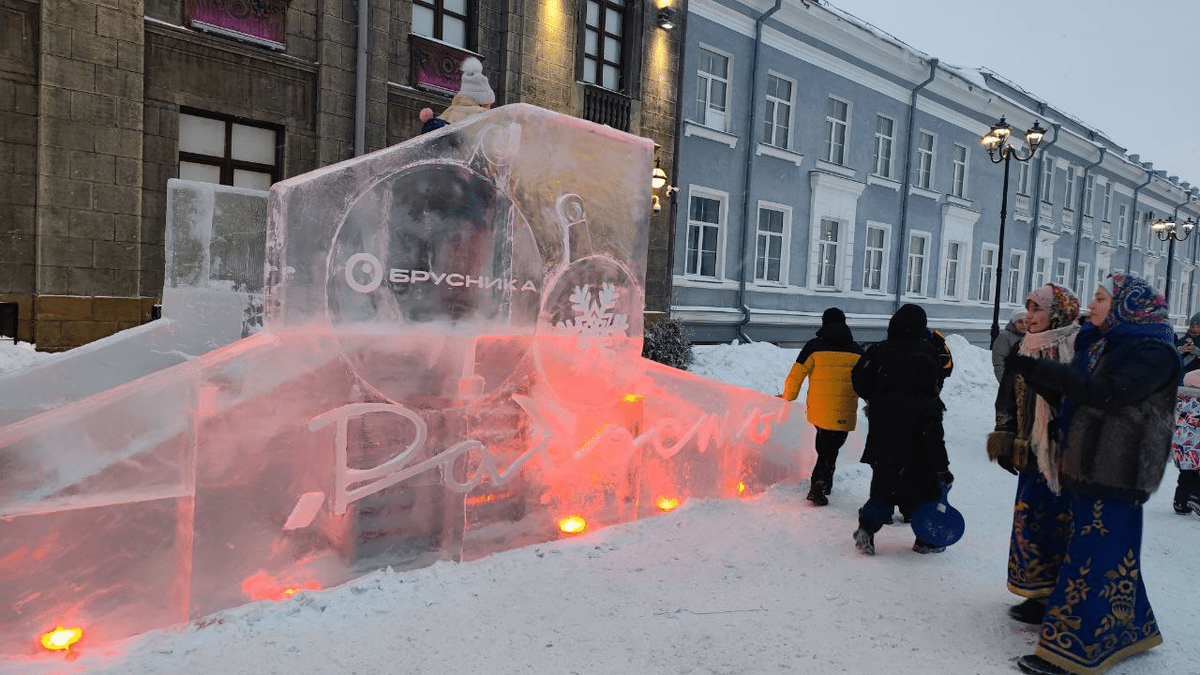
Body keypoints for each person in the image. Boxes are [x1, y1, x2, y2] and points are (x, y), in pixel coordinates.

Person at [1005, 273, 1178, 675]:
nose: (1092, 305)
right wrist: (1035, 374)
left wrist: (1041, 371)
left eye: (1100, 298)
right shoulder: (1103, 341)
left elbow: (1106, 393)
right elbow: (1074, 397)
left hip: (1118, 468)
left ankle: (1072, 652)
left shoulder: (1153, 351)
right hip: (1086, 461)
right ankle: (1129, 628)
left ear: (1125, 306)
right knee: (1108, 552)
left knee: (1092, 556)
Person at [987, 284, 1079, 626]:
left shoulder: (1077, 348)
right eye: (1028, 308)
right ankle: (1037, 593)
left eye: (1037, 309)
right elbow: (1006, 398)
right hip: (1032, 455)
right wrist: (1005, 439)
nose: (1030, 316)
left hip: (1067, 460)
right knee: (1030, 524)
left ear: (1057, 313)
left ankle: (1063, 594)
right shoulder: (1023, 349)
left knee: (1064, 528)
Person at [849, 303, 953, 555]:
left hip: (885, 428)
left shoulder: (878, 351)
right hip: (920, 429)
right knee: (925, 492)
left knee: (884, 487)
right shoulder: (928, 352)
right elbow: (938, 380)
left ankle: (867, 528)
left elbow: (859, 378)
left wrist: (875, 395)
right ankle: (925, 539)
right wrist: (942, 468)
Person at [780, 307, 864, 506]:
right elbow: (866, 380)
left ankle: (822, 483)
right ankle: (820, 484)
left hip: (819, 409)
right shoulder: (858, 350)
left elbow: (796, 375)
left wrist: (787, 397)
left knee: (826, 444)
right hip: (845, 408)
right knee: (831, 446)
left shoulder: (814, 347)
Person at [419, 57, 495, 133]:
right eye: (488, 104)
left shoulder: (450, 110)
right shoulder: (482, 114)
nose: (489, 107)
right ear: (483, 101)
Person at [1171, 368, 1200, 515]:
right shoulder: (1197, 401)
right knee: (1195, 474)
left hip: (1179, 445)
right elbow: (1195, 421)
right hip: (1195, 446)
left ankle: (1180, 503)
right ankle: (1196, 497)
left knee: (1186, 474)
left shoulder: (1179, 398)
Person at [991, 308, 1028, 382]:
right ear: (1014, 323)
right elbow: (999, 364)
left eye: (1026, 322)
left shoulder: (1033, 337)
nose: (1024, 325)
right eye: (1020, 322)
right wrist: (1007, 384)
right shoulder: (1005, 337)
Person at [1175, 311, 1200, 381]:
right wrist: (1181, 350)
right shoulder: (1183, 340)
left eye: (1198, 327)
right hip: (1182, 374)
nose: (1195, 329)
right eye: (1193, 327)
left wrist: (1196, 351)